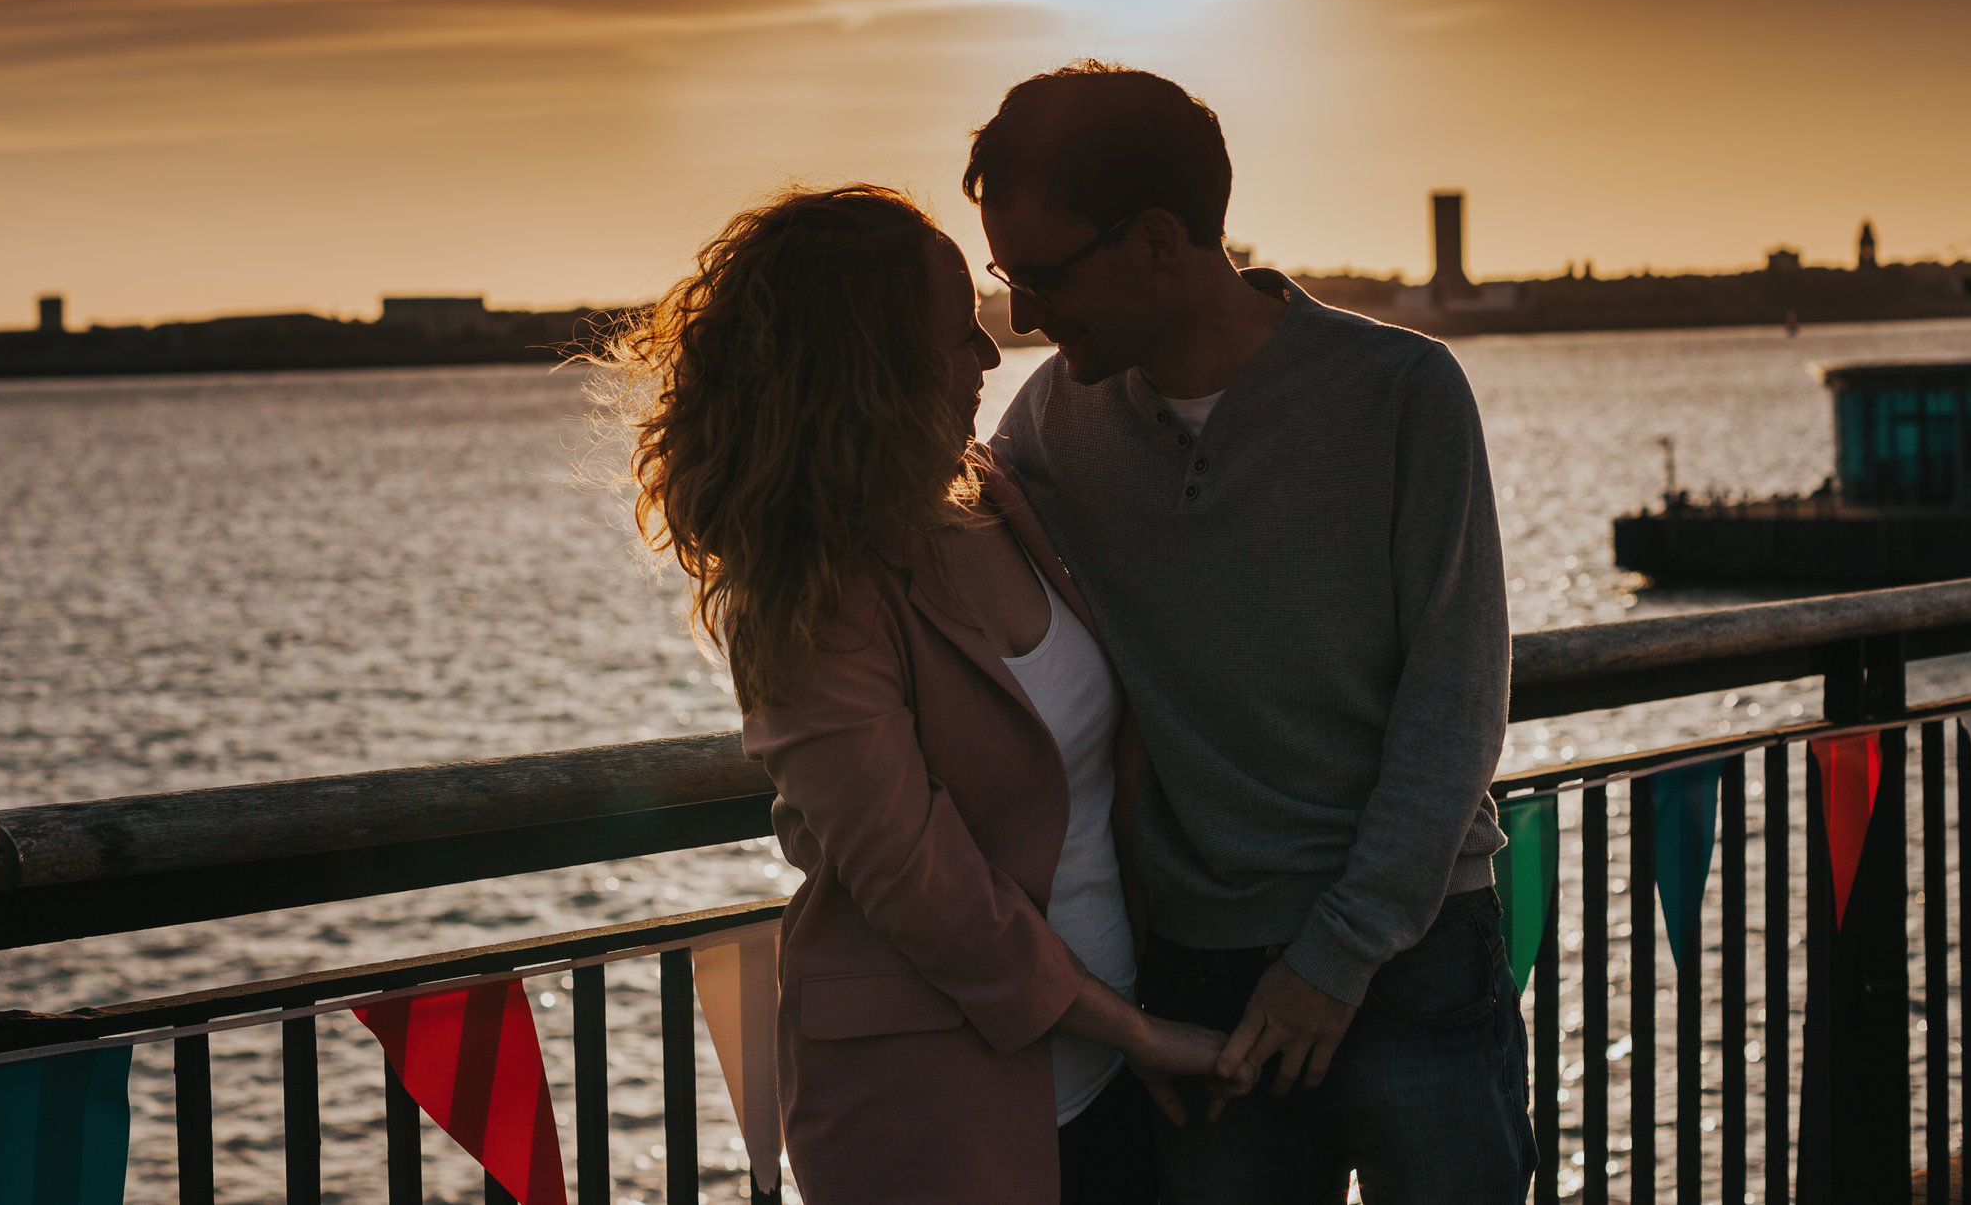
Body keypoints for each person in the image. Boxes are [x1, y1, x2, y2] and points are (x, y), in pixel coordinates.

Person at [603, 184, 1239, 1205]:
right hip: (934, 1098)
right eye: (957, 336)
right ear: (869, 367)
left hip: (1116, 1072)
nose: (991, 358)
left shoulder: (996, 491)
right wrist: (1135, 1027)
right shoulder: (809, 589)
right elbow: (917, 880)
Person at [969, 64, 1534, 1203]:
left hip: (1413, 953)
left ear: (1159, 238)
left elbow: (1455, 701)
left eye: (1042, 275)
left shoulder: (1402, 391)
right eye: (1001, 277)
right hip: (1195, 982)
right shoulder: (1045, 426)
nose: (1020, 315)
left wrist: (1335, 956)